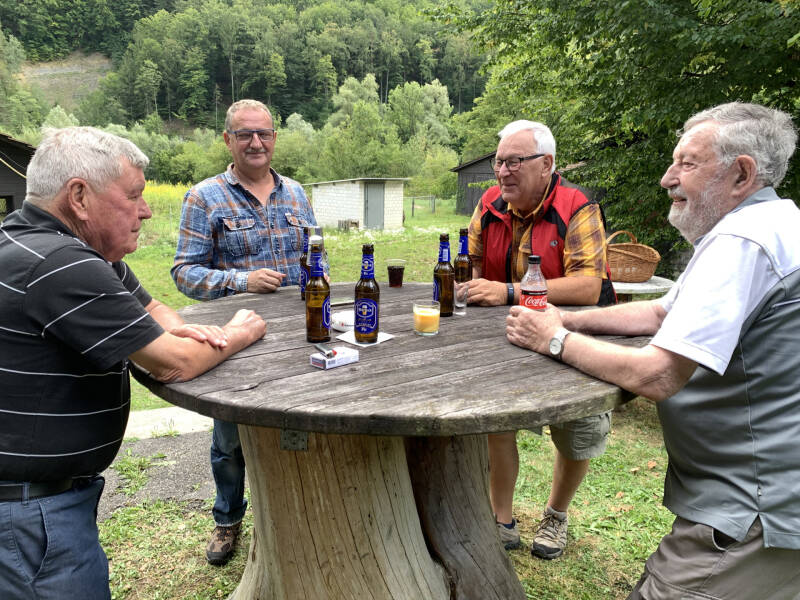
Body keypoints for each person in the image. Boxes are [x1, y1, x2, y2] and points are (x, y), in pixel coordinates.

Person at [506, 102, 800, 599]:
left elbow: (659, 375)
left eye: (687, 163)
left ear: (741, 174)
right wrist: (566, 318)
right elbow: (662, 313)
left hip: (755, 508)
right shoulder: (774, 221)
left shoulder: (743, 241)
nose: (668, 178)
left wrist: (553, 339)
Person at [0, 127, 266, 600]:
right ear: (79, 196)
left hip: (36, 500)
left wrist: (181, 330)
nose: (145, 210)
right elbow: (174, 364)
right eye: (134, 196)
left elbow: (151, 307)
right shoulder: (61, 264)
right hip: (30, 512)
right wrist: (239, 331)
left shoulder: (42, 241)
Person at [172, 99, 319, 565]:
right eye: (245, 134)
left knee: (302, 425)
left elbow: (316, 256)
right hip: (236, 341)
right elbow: (184, 272)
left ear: (274, 137)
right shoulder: (204, 197)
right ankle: (228, 518)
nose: (256, 142)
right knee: (230, 439)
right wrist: (241, 280)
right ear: (228, 140)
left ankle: (299, 514)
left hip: (299, 335)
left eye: (264, 133)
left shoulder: (297, 193)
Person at [467, 119, 616, 559]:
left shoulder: (577, 206)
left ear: (546, 164)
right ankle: (502, 517)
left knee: (575, 430)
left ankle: (556, 513)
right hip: (505, 336)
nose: (502, 172)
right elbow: (470, 262)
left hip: (573, 333)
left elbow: (588, 286)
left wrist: (508, 291)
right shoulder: (489, 203)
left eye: (514, 162)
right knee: (497, 422)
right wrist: (467, 284)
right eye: (499, 162)